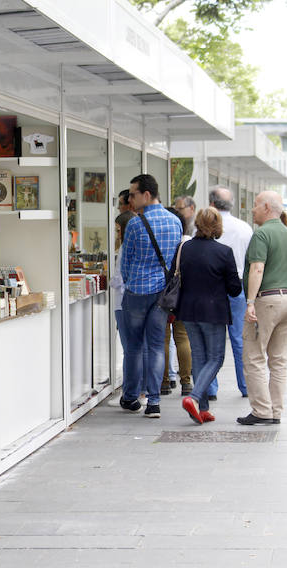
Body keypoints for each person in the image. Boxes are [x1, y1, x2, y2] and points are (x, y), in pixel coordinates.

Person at [120, 174, 183, 418]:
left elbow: (126, 262)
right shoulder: (175, 222)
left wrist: (130, 282)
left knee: (134, 347)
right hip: (162, 295)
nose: (130, 199)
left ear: (147, 195)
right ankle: (154, 402)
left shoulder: (135, 224)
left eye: (133, 194)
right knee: (157, 346)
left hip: (137, 291)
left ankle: (131, 397)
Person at [175, 207, 242, 424]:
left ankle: (202, 409)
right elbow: (234, 289)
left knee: (200, 357)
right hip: (213, 312)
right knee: (216, 358)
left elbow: (173, 276)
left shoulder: (184, 248)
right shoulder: (223, 252)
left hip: (188, 310)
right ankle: (193, 398)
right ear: (217, 226)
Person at [238, 190, 287, 426]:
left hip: (267, 300)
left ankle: (261, 410)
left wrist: (250, 302)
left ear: (266, 208)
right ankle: (275, 410)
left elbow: (257, 269)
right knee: (279, 359)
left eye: (254, 205)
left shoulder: (261, 234)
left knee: (253, 355)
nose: (252, 209)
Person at [210, 185, 252, 399]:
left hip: (213, 288)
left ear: (211, 203)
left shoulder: (208, 227)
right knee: (238, 338)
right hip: (238, 286)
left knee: (213, 339)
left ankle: (210, 388)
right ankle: (245, 386)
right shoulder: (245, 227)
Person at [113, 192, 151, 394]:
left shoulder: (125, 248)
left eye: (117, 229)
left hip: (124, 302)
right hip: (140, 299)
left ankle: (131, 391)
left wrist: (111, 279)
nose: (115, 233)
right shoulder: (140, 245)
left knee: (130, 349)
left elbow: (120, 279)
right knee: (141, 347)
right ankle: (144, 389)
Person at [161, 207, 193, 397]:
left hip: (163, 294)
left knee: (163, 339)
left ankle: (164, 382)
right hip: (181, 294)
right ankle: (186, 382)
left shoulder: (162, 240)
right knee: (182, 337)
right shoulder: (187, 243)